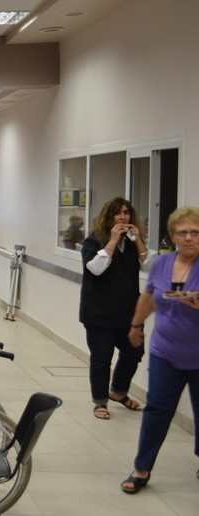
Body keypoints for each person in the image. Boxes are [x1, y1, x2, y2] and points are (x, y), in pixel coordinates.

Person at [120, 206, 199, 494]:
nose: (188, 237)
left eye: (195, 232)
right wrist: (136, 325)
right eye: (182, 232)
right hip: (165, 351)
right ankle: (141, 468)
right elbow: (149, 297)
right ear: (173, 236)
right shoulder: (163, 264)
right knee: (156, 410)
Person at [81, 197, 150, 420]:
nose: (122, 217)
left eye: (126, 213)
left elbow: (148, 264)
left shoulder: (131, 244)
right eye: (117, 213)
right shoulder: (93, 241)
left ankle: (118, 391)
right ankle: (100, 401)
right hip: (98, 313)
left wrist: (138, 240)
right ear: (108, 217)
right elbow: (95, 269)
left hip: (128, 313)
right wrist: (111, 241)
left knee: (134, 352)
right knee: (102, 359)